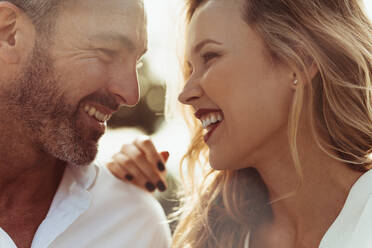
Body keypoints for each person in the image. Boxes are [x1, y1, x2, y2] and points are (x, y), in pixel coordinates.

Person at [108, 0, 372, 247]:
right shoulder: (214, 235)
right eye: (190, 69)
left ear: (300, 62)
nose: (185, 94)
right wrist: (114, 205)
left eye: (210, 57)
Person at [0, 0, 171, 247]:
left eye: (138, 62)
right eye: (107, 51)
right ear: (9, 34)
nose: (131, 95)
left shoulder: (135, 223)